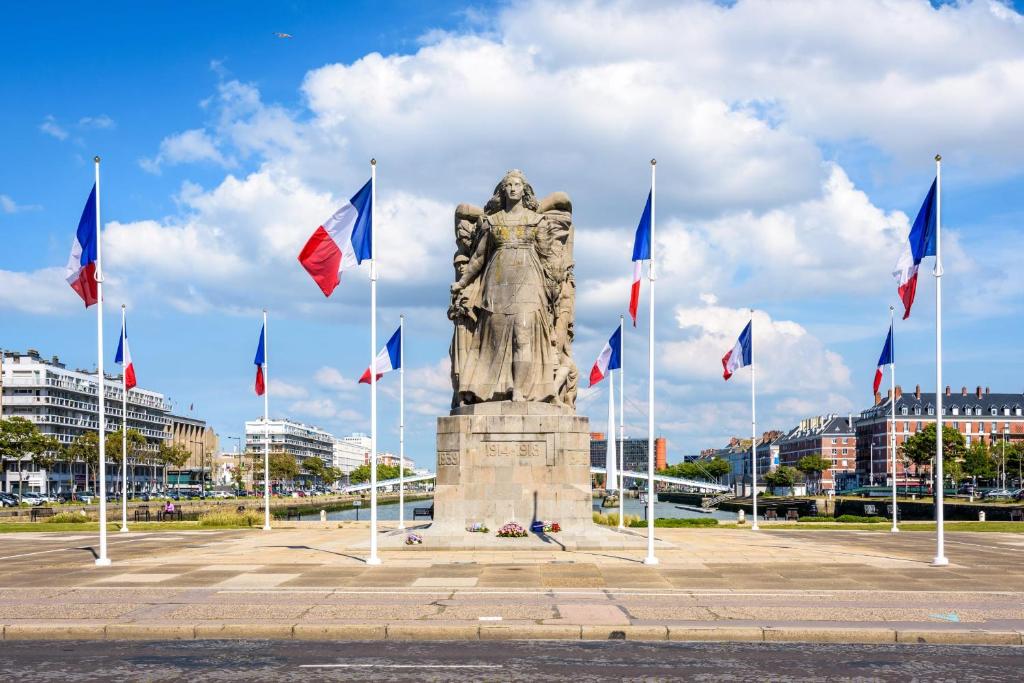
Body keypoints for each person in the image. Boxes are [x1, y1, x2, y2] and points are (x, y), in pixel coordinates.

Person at [451, 170, 559, 404]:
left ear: (524, 189)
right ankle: (489, 389)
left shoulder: (536, 220)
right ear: (503, 190)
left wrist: (553, 287)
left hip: (529, 284)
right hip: (497, 284)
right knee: (493, 339)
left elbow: (548, 257)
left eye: (517, 184)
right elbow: (478, 258)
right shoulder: (493, 221)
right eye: (508, 184)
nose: (512, 188)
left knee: (523, 336)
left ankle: (519, 390)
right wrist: (463, 281)